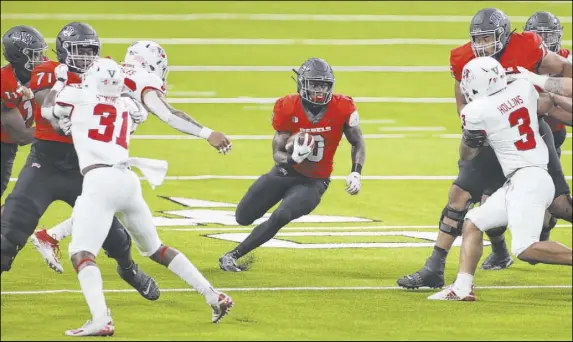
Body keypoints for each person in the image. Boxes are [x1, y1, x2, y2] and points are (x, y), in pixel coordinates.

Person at [45, 57, 233, 336]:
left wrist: (60, 80)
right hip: (127, 180)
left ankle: (101, 319)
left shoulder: (76, 96)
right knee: (156, 249)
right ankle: (211, 295)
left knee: (81, 253)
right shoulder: (127, 105)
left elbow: (48, 110)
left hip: (99, 179)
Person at [397, 7, 573, 289]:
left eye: (488, 39)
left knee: (559, 205)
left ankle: (486, 261)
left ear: (504, 36)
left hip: (528, 137)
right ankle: (436, 268)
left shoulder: (526, 48)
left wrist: (540, 88)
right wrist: (476, 130)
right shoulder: (462, 58)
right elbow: (462, 103)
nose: (482, 46)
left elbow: (562, 77)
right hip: (491, 133)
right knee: (460, 196)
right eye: (478, 40)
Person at [31, 40, 232, 274]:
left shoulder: (109, 66)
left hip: (84, 136)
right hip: (102, 146)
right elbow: (168, 114)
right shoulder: (144, 78)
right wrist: (207, 133)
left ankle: (51, 235)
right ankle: (52, 238)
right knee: (110, 197)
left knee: (105, 200)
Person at [0, 22, 159, 302]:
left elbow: (128, 93)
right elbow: (47, 108)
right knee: (9, 234)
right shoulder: (48, 72)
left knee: (115, 238)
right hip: (45, 165)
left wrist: (136, 102)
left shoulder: (105, 70)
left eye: (90, 50)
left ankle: (129, 269)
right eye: (79, 49)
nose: (85, 56)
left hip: (86, 168)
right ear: (63, 52)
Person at [428, 57, 572, 301]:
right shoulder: (523, 87)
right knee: (473, 222)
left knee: (525, 249)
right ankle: (462, 288)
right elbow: (547, 101)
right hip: (530, 177)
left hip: (527, 180)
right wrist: (532, 79)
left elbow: (468, 153)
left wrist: (469, 141)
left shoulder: (476, 110)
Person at [219, 57, 366, 272]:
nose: (319, 90)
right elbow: (276, 154)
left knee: (282, 214)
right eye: (314, 84)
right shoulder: (287, 106)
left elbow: (358, 142)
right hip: (284, 172)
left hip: (314, 181)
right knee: (243, 217)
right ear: (302, 84)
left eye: (324, 85)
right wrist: (292, 159)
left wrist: (356, 172)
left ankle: (233, 255)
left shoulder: (343, 106)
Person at [0, 26, 45, 199]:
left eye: (40, 54)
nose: (41, 60)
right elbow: (22, 136)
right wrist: (61, 129)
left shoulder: (42, 72)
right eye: (34, 55)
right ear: (18, 57)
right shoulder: (5, 82)